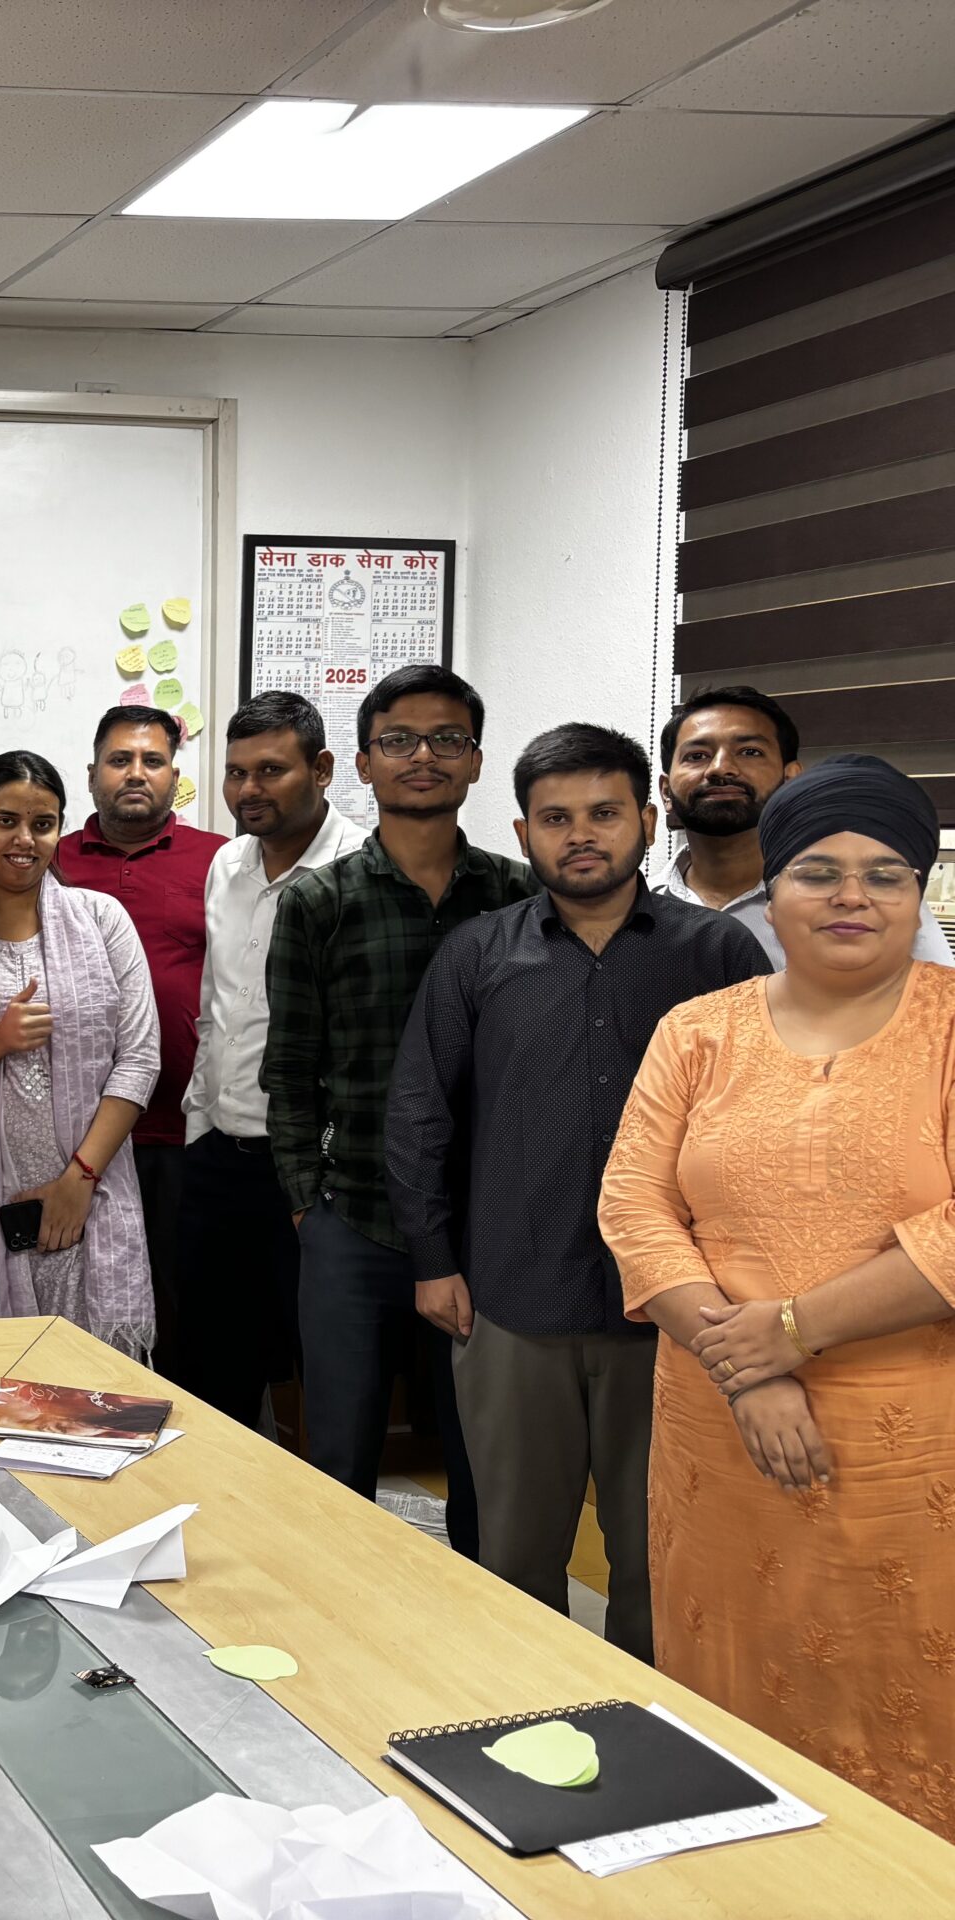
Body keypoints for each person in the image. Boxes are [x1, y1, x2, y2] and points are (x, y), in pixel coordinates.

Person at [599, 753, 955, 1841]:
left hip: (912, 1450)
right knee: (730, 1678)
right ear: (773, 887)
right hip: (720, 1433)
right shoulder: (696, 1031)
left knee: (906, 1691)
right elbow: (632, 1203)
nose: (853, 896)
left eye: (886, 874)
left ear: (920, 892)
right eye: (818, 871)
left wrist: (792, 1333)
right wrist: (746, 1371)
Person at [388, 725, 768, 1659]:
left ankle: (655, 1727)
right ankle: (524, 1714)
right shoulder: (478, 955)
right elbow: (419, 1112)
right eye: (556, 819)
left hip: (679, 1313)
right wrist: (433, 1259)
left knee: (663, 1557)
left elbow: (763, 1121)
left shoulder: (716, 952)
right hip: (514, 1302)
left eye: (604, 813)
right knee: (515, 1557)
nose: (582, 835)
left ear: (647, 820)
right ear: (524, 833)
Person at [264, 663, 534, 1560]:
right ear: (364, 764)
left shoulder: (518, 898)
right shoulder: (318, 901)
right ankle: (339, 1623)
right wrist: (306, 1204)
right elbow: (290, 1067)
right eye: (399, 741)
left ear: (476, 761)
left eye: (446, 739)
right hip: (354, 1220)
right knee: (338, 1459)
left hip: (488, 1226)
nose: (424, 757)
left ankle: (479, 1624)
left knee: (484, 1463)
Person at [165, 691, 362, 1428]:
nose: (249, 789)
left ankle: (327, 1501)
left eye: (271, 770)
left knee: (326, 1370)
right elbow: (216, 1006)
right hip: (220, 1156)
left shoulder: (361, 869)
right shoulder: (227, 865)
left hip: (317, 1170)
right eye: (236, 772)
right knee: (212, 1367)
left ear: (322, 769)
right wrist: (199, 1126)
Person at [0, 751, 159, 1354]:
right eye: (6, 821)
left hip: (92, 1195)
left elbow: (140, 1059)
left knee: (97, 1385)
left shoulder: (103, 920)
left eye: (43, 824)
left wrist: (78, 1180)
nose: (24, 840)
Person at [51, 704, 224, 1348]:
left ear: (174, 775)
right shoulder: (51, 860)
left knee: (186, 1309)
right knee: (85, 1309)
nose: (135, 773)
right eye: (119, 759)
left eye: (153, 761)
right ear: (91, 773)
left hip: (186, 1131)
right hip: (74, 1137)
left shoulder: (221, 861)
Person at [656, 683, 952, 967]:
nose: (721, 768)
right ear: (666, 792)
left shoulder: (867, 902)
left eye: (749, 752)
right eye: (697, 756)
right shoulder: (639, 904)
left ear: (791, 780)